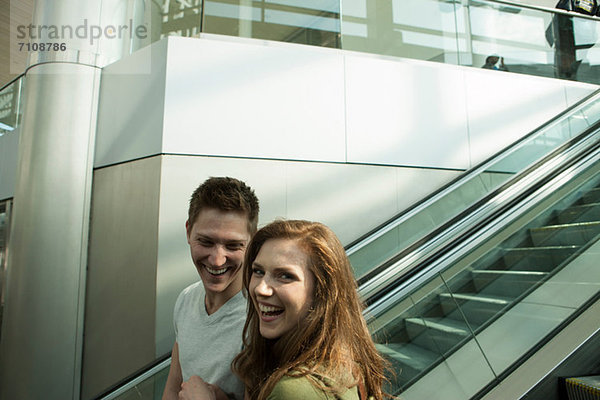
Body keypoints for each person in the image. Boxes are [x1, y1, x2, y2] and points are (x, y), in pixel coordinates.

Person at [232, 220, 389, 400]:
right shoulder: (344, 360)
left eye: (285, 276)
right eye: (258, 271)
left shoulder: (294, 391)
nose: (260, 288)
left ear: (322, 293)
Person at [162, 177, 260, 400]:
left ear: (252, 242)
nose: (217, 260)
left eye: (233, 245)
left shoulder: (262, 317)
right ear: (188, 232)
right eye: (205, 242)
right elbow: (173, 387)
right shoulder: (186, 299)